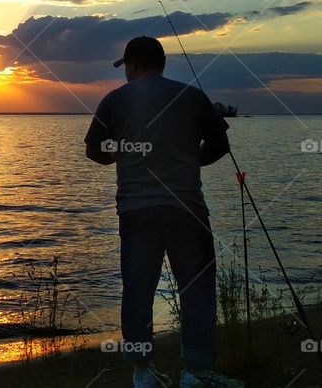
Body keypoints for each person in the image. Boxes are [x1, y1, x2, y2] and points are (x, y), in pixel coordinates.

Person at [84, 36, 244, 388]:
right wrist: (191, 162)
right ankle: (198, 373)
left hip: (135, 211)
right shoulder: (192, 96)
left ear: (133, 63)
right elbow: (220, 145)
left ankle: (143, 373)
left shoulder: (114, 100)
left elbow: (94, 150)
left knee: (137, 291)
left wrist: (121, 155)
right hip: (186, 207)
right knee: (197, 289)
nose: (125, 72)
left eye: (126, 66)